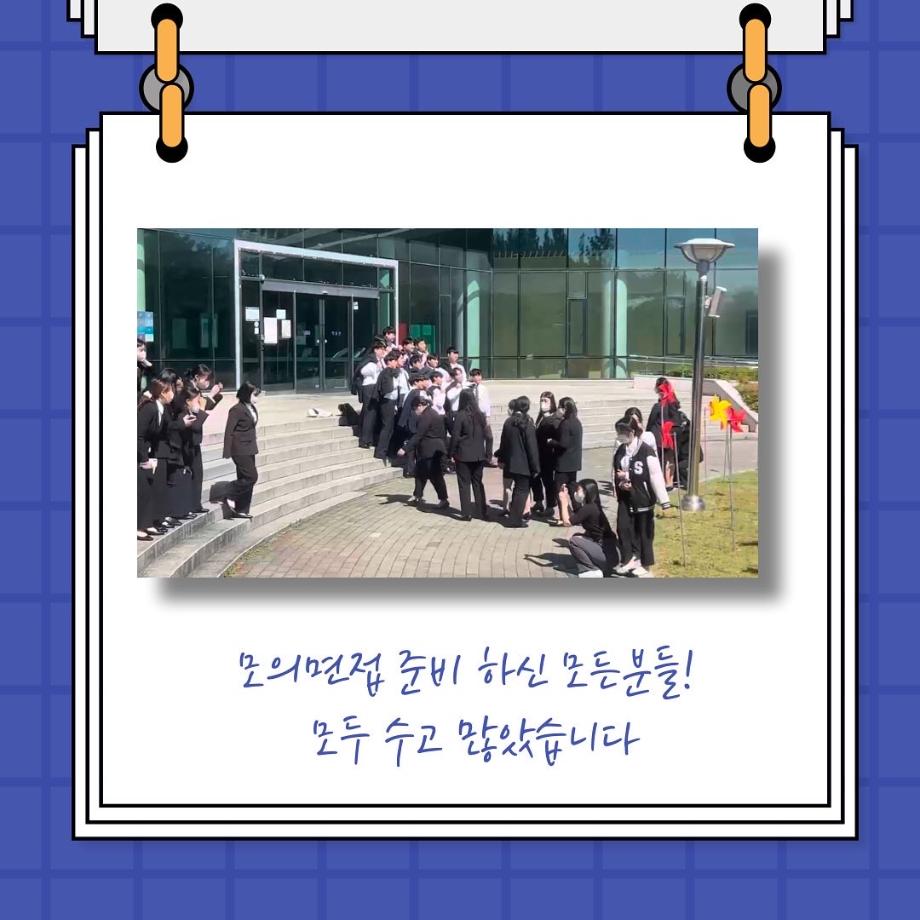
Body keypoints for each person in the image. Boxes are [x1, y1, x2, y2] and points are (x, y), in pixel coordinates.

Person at [612, 418, 671, 577]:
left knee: (644, 532)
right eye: (619, 432)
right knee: (623, 527)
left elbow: (655, 475)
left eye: (623, 432)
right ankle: (629, 558)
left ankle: (646, 564)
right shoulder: (621, 450)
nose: (620, 435)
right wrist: (620, 484)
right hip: (625, 497)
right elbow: (616, 471)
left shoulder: (646, 451)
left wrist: (664, 500)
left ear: (632, 432)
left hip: (642, 498)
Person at [136, 379, 174, 539]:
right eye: (170, 391)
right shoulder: (149, 408)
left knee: (149, 489)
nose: (172, 394)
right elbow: (138, 435)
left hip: (147, 453)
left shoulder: (161, 409)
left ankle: (147, 523)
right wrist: (144, 459)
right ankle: (139, 526)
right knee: (143, 490)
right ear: (162, 393)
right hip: (139, 455)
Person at [398, 394, 449, 509]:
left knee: (435, 475)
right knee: (420, 474)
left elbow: (418, 435)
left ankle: (443, 499)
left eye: (415, 409)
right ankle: (417, 496)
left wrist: (405, 449)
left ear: (420, 406)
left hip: (429, 450)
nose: (415, 412)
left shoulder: (426, 416)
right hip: (433, 449)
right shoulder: (433, 413)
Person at [495, 396, 540, 528]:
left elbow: (503, 443)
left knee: (516, 490)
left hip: (510, 462)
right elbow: (532, 447)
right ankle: (515, 520)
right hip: (523, 464)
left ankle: (514, 516)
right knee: (522, 490)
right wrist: (535, 466)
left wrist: (501, 459)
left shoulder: (508, 421)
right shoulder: (527, 422)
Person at [222, 382, 261, 519]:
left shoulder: (251, 408)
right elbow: (229, 431)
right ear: (246, 394)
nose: (256, 398)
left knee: (245, 478)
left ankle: (242, 509)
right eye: (254, 395)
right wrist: (227, 450)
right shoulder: (236, 410)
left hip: (250, 448)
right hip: (239, 449)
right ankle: (229, 492)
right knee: (251, 476)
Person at [567, 479, 621, 578]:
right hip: (614, 553)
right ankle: (602, 565)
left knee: (573, 541)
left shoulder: (588, 508)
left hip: (607, 555)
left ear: (586, 492)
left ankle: (591, 569)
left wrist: (562, 499)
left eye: (578, 490)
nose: (576, 493)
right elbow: (576, 516)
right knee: (579, 536)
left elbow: (567, 522)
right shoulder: (594, 506)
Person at [451, 389, 489, 521]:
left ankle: (466, 513)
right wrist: (488, 454)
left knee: (464, 484)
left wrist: (451, 452)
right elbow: (488, 435)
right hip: (479, 454)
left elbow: (455, 436)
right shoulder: (481, 415)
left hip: (463, 455)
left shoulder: (460, 415)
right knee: (478, 483)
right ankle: (482, 511)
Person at [647, 376, 691, 490]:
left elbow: (651, 422)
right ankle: (669, 482)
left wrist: (647, 433)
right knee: (669, 458)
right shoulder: (673, 403)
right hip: (672, 434)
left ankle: (663, 481)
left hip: (662, 435)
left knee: (661, 459)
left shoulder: (660, 406)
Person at [547, 396, 583, 527]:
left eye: (560, 407)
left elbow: (563, 444)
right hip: (574, 462)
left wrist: (551, 442)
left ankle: (564, 516)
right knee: (573, 489)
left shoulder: (566, 423)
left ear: (565, 408)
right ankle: (579, 514)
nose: (558, 410)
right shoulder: (577, 422)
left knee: (559, 490)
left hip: (563, 463)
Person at [180, 382, 210, 514]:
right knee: (190, 476)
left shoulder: (192, 411)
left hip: (195, 446)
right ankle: (189, 505)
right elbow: (196, 426)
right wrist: (202, 409)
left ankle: (196, 504)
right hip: (186, 448)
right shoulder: (183, 412)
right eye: (196, 400)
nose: (199, 402)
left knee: (198, 475)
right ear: (188, 401)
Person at [532, 391, 561, 516]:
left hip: (548, 456)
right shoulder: (540, 417)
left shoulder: (554, 419)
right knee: (535, 479)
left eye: (545, 401)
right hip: (538, 454)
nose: (542, 403)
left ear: (552, 403)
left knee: (548, 482)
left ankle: (550, 506)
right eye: (541, 400)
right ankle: (538, 501)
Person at [374, 350, 401, 461]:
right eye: (394, 361)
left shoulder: (393, 372)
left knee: (390, 428)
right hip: (387, 402)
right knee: (387, 427)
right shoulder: (386, 372)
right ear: (389, 361)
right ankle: (381, 451)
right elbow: (387, 388)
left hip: (392, 401)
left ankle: (386, 450)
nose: (396, 363)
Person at [358, 342, 386, 448]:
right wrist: (376, 367)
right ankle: (364, 440)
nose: (383, 351)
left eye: (384, 349)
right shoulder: (370, 360)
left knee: (373, 415)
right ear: (375, 350)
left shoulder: (380, 360)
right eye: (381, 349)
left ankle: (369, 439)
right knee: (369, 414)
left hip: (375, 387)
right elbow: (363, 371)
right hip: (369, 387)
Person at [468, 368, 494, 464]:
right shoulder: (468, 388)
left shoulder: (484, 388)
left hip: (482, 415)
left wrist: (488, 416)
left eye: (479, 375)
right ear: (471, 377)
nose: (478, 377)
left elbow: (487, 403)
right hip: (472, 415)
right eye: (476, 375)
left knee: (489, 437)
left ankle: (488, 457)